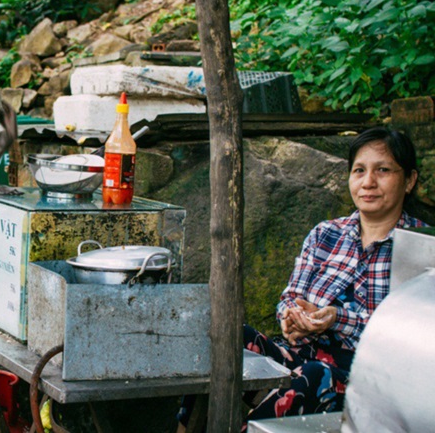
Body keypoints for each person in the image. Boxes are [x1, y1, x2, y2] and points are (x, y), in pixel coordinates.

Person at [178, 127, 427, 430]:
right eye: (359, 170)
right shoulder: (325, 234)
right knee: (225, 334)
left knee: (315, 374)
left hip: (373, 378)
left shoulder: (423, 246)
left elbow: (410, 341)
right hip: (302, 353)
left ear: (409, 180)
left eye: (383, 170)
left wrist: (337, 318)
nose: (368, 182)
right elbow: (290, 296)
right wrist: (291, 317)